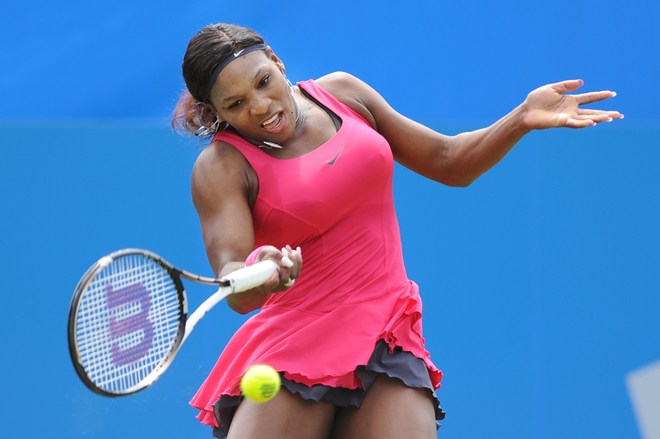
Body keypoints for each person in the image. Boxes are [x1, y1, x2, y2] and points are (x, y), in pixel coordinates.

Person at [171, 23, 622, 439]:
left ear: (276, 61)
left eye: (263, 82)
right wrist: (261, 268)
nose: (260, 106)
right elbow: (233, 279)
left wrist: (521, 117)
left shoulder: (343, 94)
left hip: (385, 330)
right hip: (294, 346)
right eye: (236, 104)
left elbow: (449, 161)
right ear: (215, 111)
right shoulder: (221, 166)